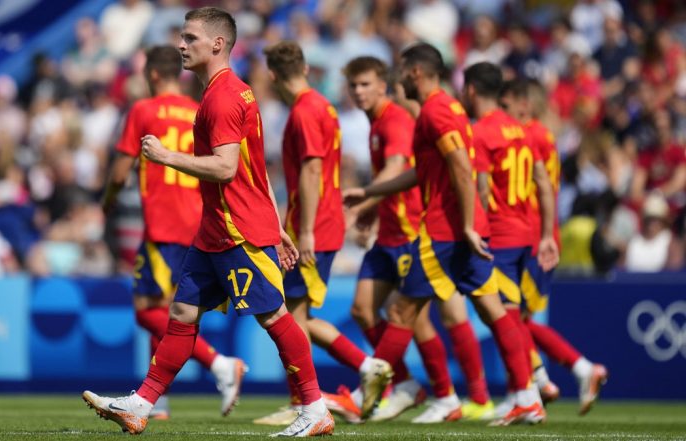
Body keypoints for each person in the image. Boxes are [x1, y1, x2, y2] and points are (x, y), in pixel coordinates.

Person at [82, 8, 334, 437]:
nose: (181, 45)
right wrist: (280, 227)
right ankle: (141, 404)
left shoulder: (220, 98)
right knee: (180, 313)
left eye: (190, 38)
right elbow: (259, 169)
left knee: (274, 316)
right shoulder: (229, 93)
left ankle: (314, 407)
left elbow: (227, 168)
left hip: (237, 228)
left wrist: (166, 157)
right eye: (182, 38)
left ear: (217, 44)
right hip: (214, 229)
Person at [343, 42, 543, 426]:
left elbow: (462, 167)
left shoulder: (435, 110)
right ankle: (526, 395)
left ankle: (373, 395)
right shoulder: (448, 108)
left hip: (445, 231)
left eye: (402, 70)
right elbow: (425, 172)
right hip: (461, 229)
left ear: (415, 72)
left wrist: (466, 224)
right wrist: (370, 193)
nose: (399, 78)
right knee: (492, 310)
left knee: (401, 311)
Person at [327, 56, 493, 424]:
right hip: (392, 230)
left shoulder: (400, 119)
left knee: (422, 315)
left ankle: (449, 393)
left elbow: (399, 165)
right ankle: (409, 386)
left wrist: (363, 201)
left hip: (412, 230)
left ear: (386, 84)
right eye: (353, 85)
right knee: (366, 310)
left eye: (365, 84)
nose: (358, 92)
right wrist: (373, 204)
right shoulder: (377, 125)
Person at [101, 45, 247, 420]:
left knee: (147, 310)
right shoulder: (197, 110)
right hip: (199, 224)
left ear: (151, 75)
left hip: (163, 225)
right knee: (170, 309)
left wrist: (108, 200)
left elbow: (119, 172)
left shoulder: (143, 110)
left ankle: (219, 363)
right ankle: (158, 400)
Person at [254, 42, 392, 426]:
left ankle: (305, 403)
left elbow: (313, 171)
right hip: (318, 223)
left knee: (290, 315)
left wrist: (307, 231)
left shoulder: (303, 111)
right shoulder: (323, 106)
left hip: (313, 227)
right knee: (297, 314)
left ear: (274, 75)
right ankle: (363, 368)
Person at [501, 77, 608, 415]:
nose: (501, 115)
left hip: (530, 236)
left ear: (524, 104)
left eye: (505, 107)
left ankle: (567, 372)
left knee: (512, 316)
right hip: (535, 232)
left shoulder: (528, 136)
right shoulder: (544, 136)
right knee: (514, 316)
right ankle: (537, 382)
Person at [463, 62, 558, 420]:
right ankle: (528, 391)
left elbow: (483, 190)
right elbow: (544, 184)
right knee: (509, 316)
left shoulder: (481, 133)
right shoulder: (520, 131)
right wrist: (547, 234)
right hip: (526, 236)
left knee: (502, 316)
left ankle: (527, 394)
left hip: (499, 237)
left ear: (472, 90)